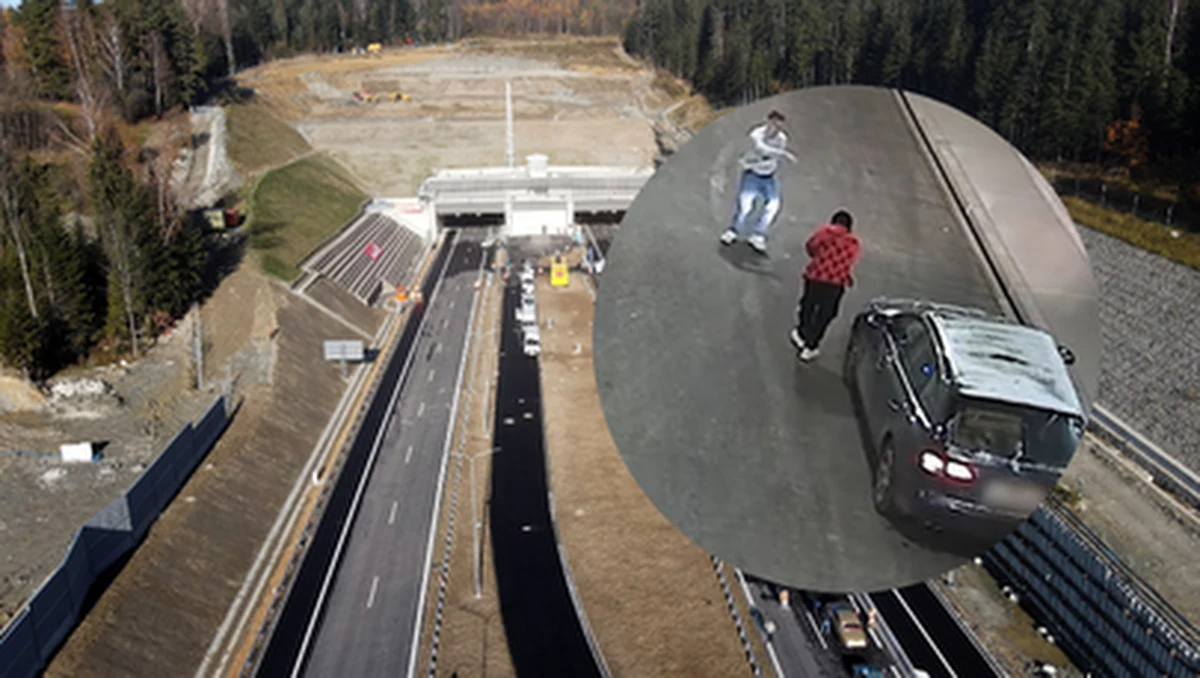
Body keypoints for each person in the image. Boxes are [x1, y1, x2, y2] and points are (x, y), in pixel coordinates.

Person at [719, 110, 798, 254]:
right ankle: (733, 231)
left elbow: (771, 155)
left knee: (773, 205)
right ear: (767, 121)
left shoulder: (781, 139)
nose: (776, 129)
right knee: (744, 205)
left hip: (769, 176)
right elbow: (762, 149)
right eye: (774, 124)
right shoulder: (756, 134)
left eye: (779, 126)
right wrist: (784, 154)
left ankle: (758, 235)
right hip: (752, 175)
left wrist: (775, 155)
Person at [791, 209, 860, 361]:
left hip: (815, 276)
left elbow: (810, 246)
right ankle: (812, 345)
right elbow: (851, 260)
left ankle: (802, 332)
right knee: (826, 313)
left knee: (808, 304)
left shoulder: (825, 232)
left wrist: (820, 258)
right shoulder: (853, 242)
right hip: (835, 284)